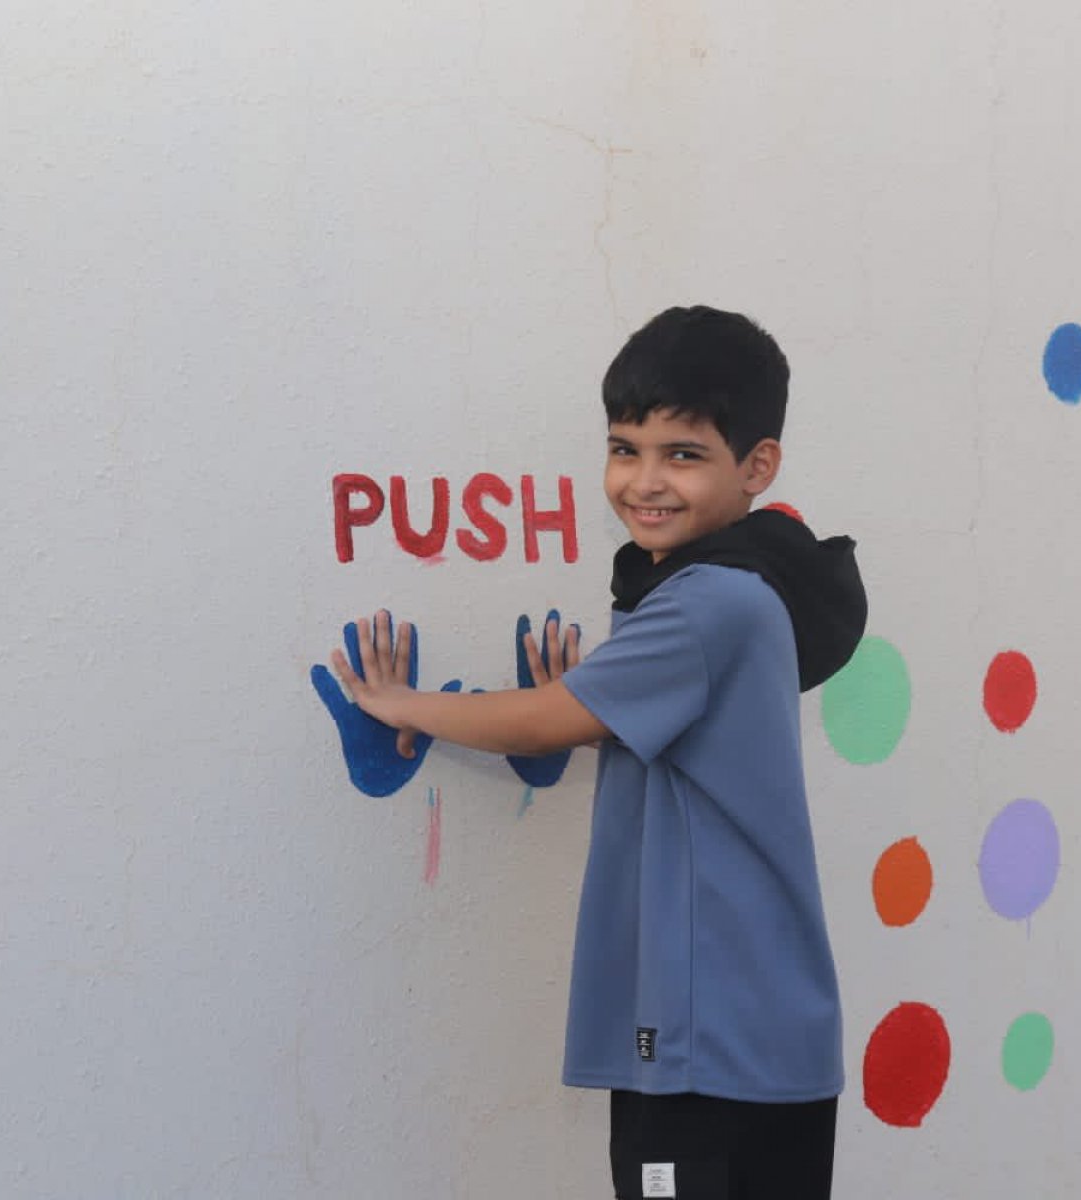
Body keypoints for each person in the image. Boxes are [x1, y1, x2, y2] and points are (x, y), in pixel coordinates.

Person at [326, 305, 866, 1199]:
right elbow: (608, 715)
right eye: (625, 448)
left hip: (705, 1039)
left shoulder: (708, 602)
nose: (645, 481)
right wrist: (601, 695)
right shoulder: (733, 589)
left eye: (682, 454)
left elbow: (547, 721)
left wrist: (403, 704)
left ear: (757, 466)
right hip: (754, 1034)